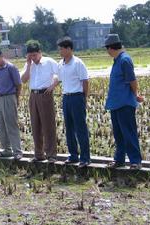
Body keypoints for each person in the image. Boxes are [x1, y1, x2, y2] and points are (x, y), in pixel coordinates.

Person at [104, 34, 143, 170]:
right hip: (115, 103)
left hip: (125, 103)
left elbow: (132, 80)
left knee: (129, 132)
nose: (107, 52)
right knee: (118, 134)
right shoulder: (117, 60)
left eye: (107, 49)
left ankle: (135, 161)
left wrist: (135, 94)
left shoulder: (125, 60)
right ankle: (119, 160)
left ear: (111, 48)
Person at [21, 40, 58, 162]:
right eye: (30, 55)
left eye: (35, 55)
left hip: (45, 94)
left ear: (40, 52)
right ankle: (38, 154)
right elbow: (24, 80)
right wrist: (28, 64)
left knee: (48, 125)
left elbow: (60, 74)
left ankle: (51, 154)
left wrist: (52, 86)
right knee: (35, 125)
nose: (33, 58)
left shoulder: (49, 62)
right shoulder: (29, 64)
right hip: (33, 95)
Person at [57, 37, 91, 168]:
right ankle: (73, 155)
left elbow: (85, 81)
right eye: (59, 49)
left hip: (77, 97)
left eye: (62, 49)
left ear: (69, 49)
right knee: (69, 128)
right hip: (66, 97)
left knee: (80, 128)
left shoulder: (78, 63)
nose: (60, 51)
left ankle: (85, 158)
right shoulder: (61, 64)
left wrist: (84, 98)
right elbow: (59, 80)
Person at [0, 48, 23, 160]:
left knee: (11, 125)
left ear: (1, 56)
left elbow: (18, 84)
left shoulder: (11, 68)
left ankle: (17, 151)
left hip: (9, 97)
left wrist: (16, 99)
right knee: (0, 126)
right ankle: (7, 150)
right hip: (0, 99)